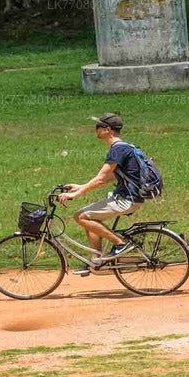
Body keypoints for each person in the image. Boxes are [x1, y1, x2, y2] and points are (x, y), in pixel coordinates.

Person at [58, 112, 144, 272]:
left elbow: (100, 178)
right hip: (129, 197)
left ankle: (121, 243)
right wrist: (81, 186)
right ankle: (96, 262)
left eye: (98, 126)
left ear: (108, 130)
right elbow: (109, 177)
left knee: (80, 216)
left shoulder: (117, 149)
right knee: (88, 216)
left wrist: (75, 194)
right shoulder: (123, 147)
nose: (95, 129)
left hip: (126, 199)